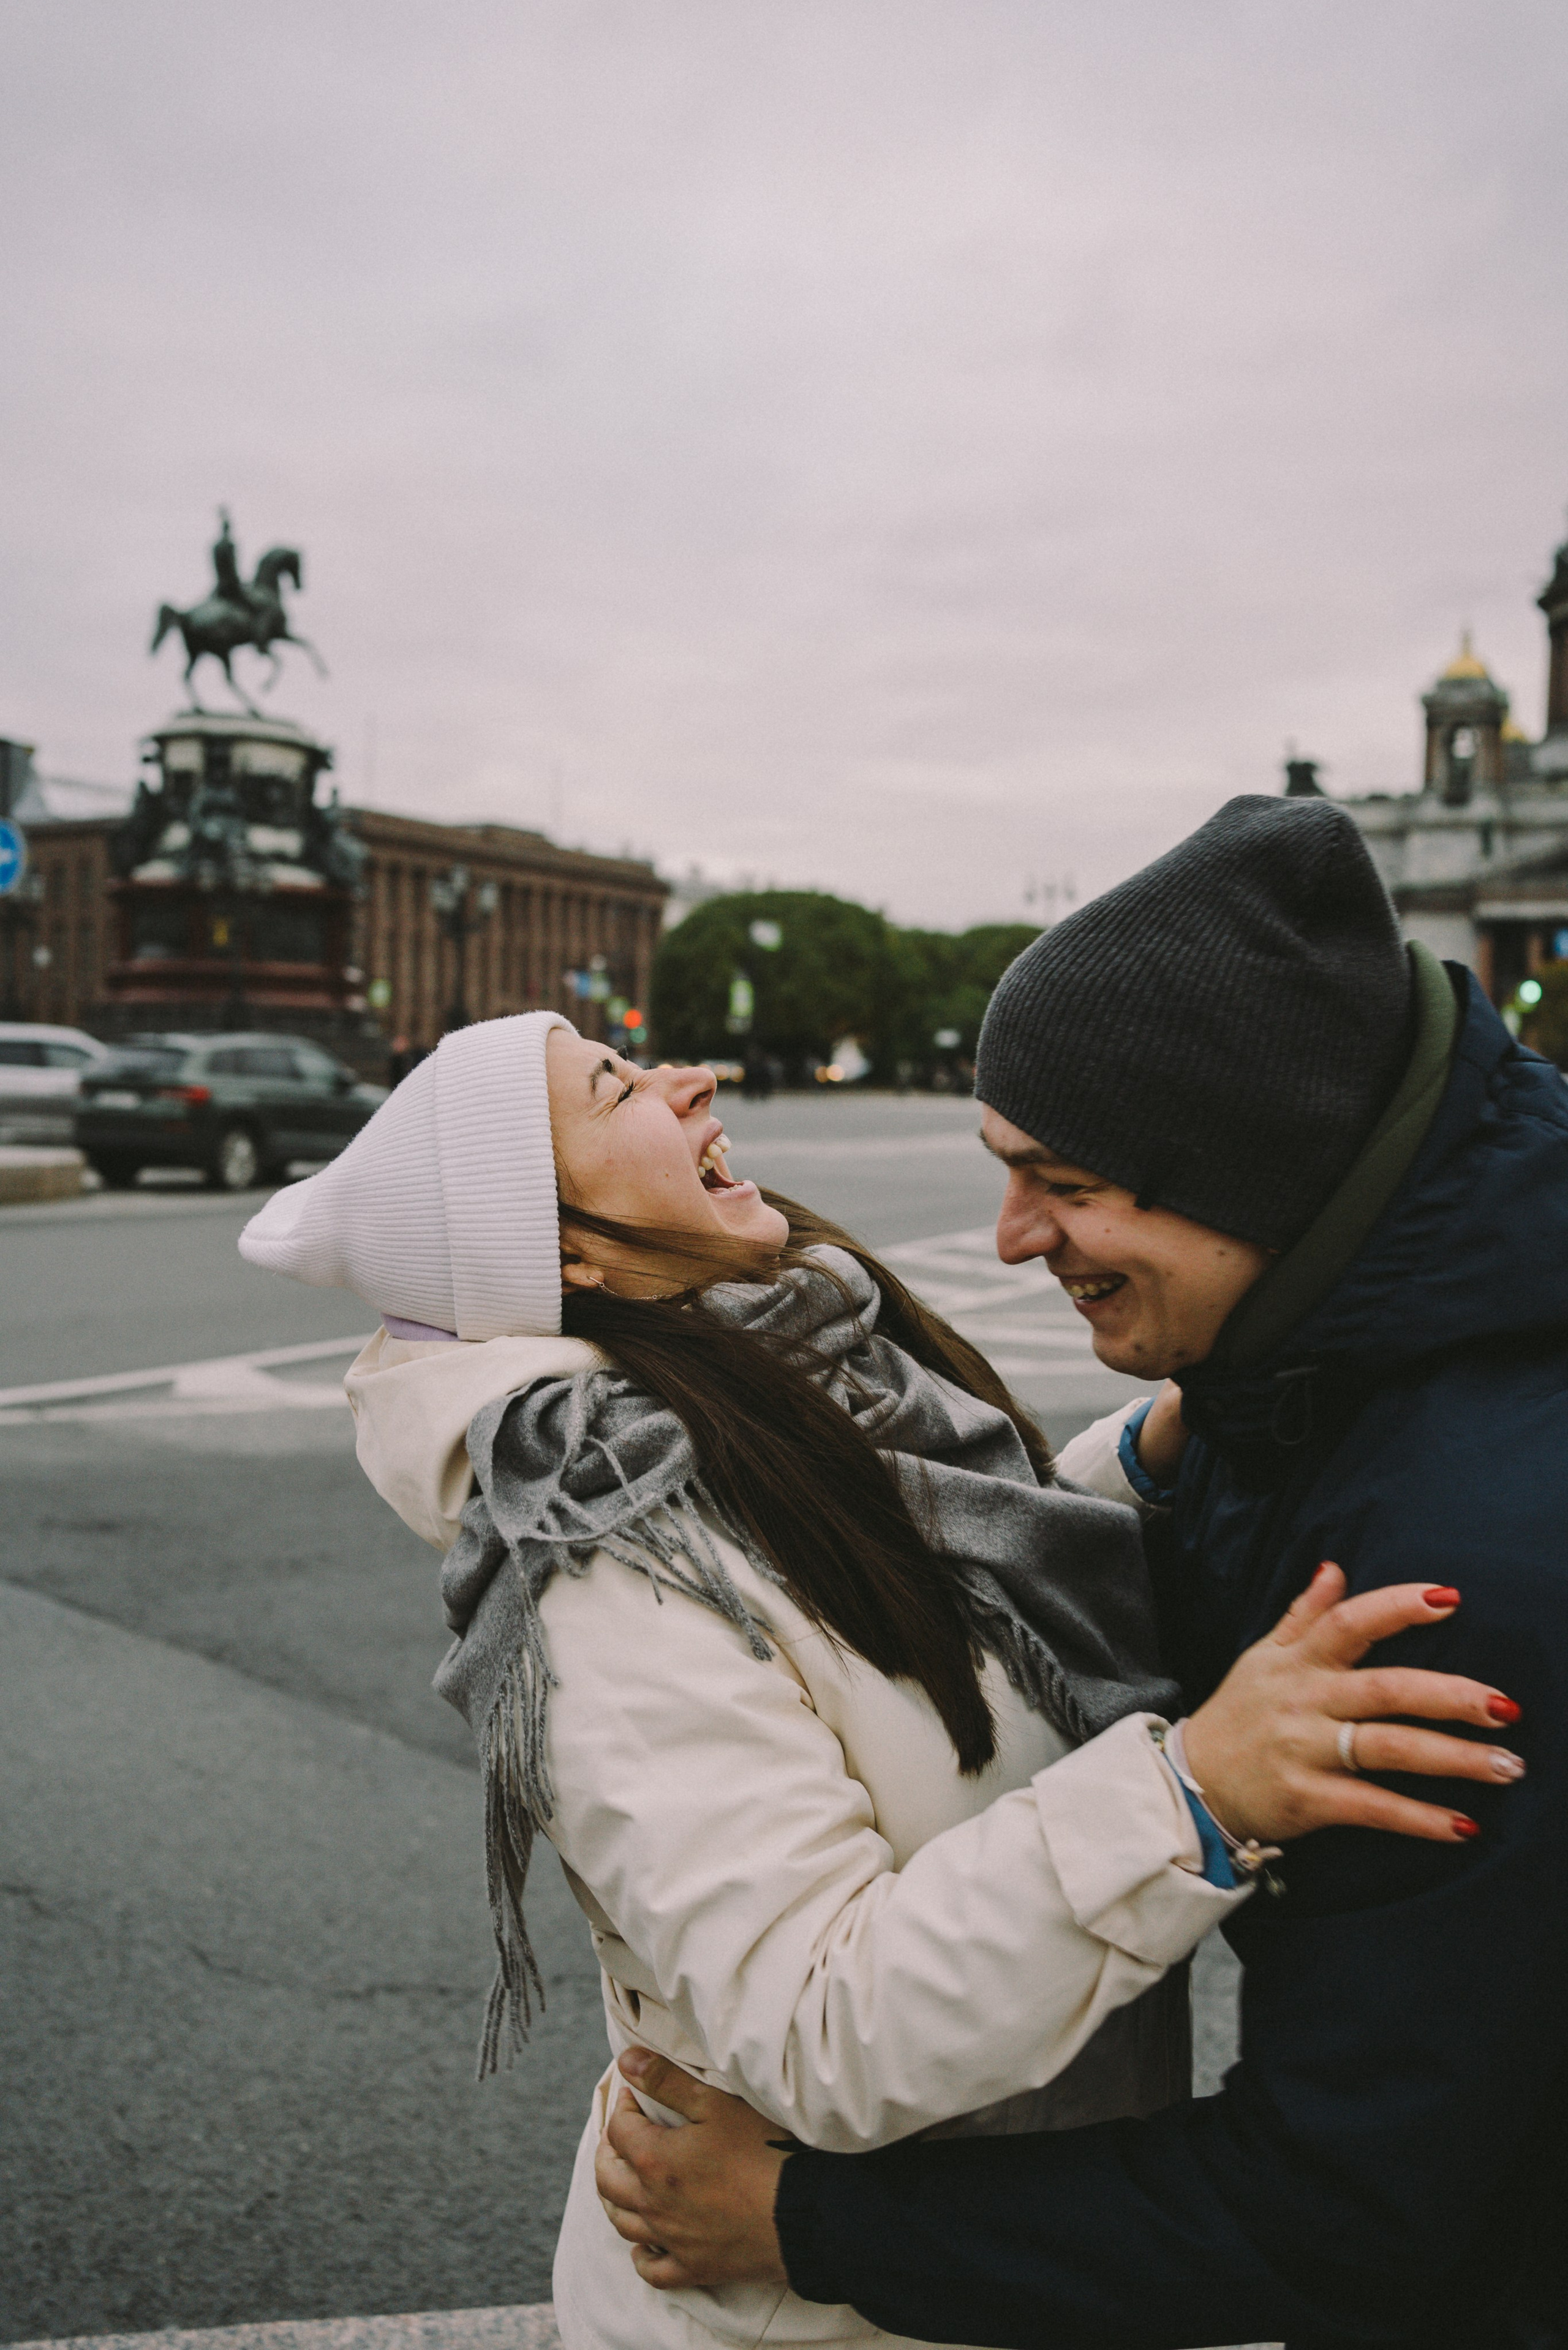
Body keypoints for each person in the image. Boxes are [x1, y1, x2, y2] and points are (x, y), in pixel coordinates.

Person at [236, 995, 1513, 2350]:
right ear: (560, 1250)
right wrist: (1194, 1794)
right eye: (616, 1092)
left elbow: (909, 1607)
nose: (688, 1078)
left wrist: (1134, 1468)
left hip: (964, 2271)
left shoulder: (779, 1390)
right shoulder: (616, 1555)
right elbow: (811, 2024)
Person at [593, 796, 1566, 2350]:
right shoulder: (1304, 1366)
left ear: (1249, 1169)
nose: (1006, 1236)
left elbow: (1344, 2217)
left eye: (1062, 1178)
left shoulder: (1458, 1562)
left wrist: (801, 2220)